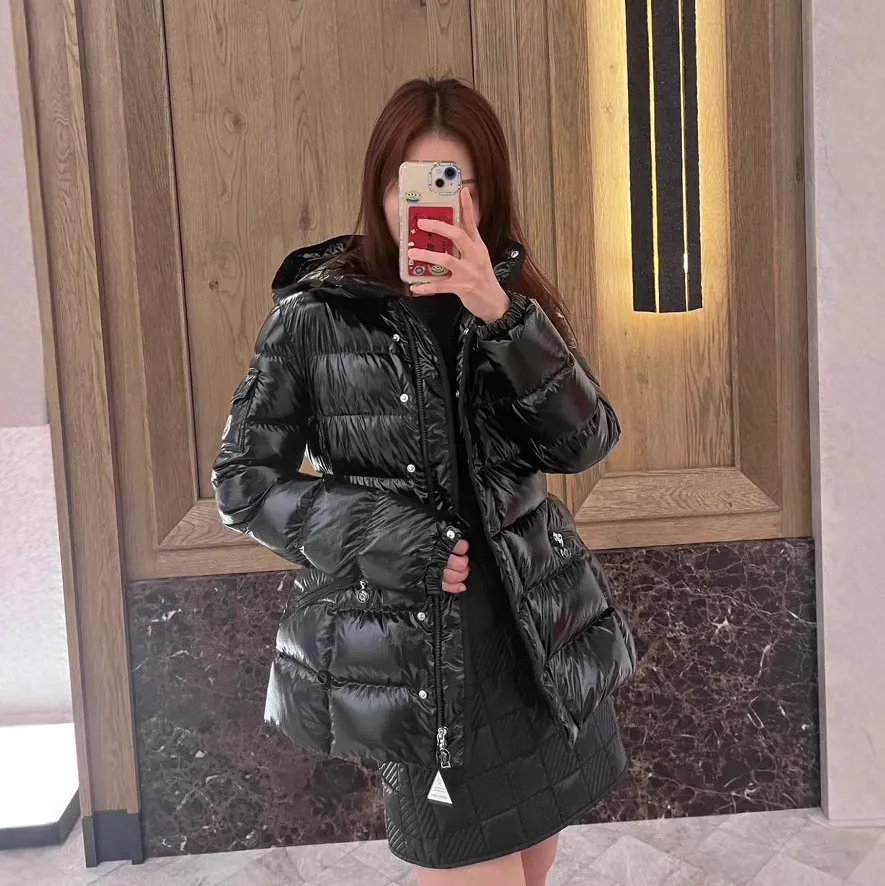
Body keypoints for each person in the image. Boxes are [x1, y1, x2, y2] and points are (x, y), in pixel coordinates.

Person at [213, 78, 635, 886]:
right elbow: (243, 482)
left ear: (486, 192)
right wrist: (389, 537)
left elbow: (584, 444)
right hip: (420, 667)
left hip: (533, 648)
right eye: (412, 182)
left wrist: (500, 315)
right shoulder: (314, 316)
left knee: (532, 866)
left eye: (454, 182)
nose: (430, 205)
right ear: (379, 188)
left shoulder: (510, 300)